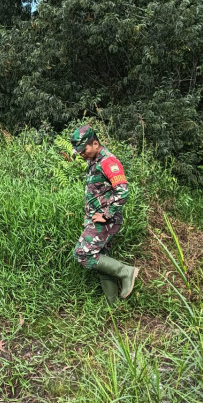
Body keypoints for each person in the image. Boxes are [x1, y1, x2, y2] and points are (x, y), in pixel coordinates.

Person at [71, 125, 139, 305]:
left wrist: (106, 215)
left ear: (95, 143)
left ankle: (126, 271)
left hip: (106, 221)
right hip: (97, 220)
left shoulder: (108, 162)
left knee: (82, 254)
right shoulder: (94, 160)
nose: (81, 154)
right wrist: (89, 218)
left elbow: (122, 191)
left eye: (83, 149)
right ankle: (113, 305)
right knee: (101, 257)